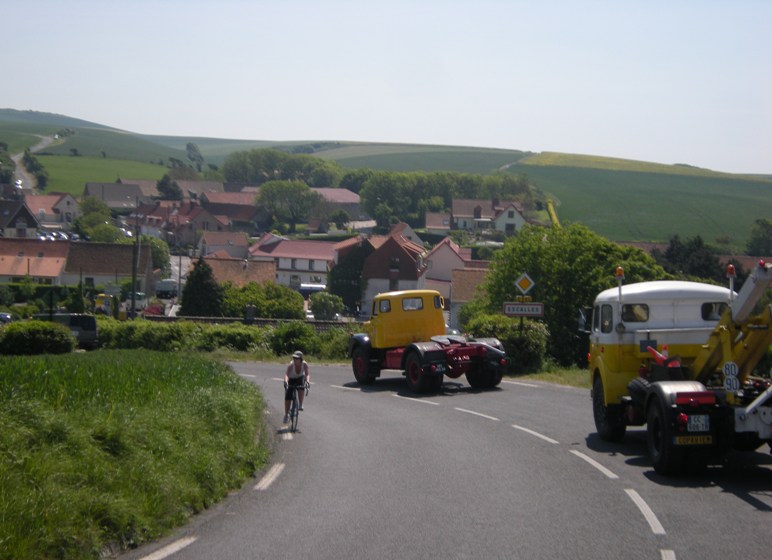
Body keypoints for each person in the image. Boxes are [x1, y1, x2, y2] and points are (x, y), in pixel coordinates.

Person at [284, 350, 310, 423]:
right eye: (294, 358)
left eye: (297, 358)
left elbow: (307, 374)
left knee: (302, 387)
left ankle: (301, 404)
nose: (295, 360)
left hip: (300, 377)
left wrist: (307, 381)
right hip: (291, 379)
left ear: (301, 359)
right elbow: (287, 374)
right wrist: (285, 381)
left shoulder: (304, 364)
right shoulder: (291, 365)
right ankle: (286, 415)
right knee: (288, 396)